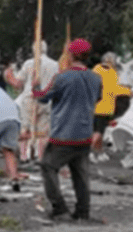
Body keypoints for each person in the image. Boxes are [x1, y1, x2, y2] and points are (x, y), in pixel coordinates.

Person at [34, 38, 101, 221]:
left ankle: (59, 208)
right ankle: (83, 210)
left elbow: (42, 97)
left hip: (64, 134)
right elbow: (98, 98)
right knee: (80, 174)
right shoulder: (96, 78)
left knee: (48, 166)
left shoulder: (62, 78)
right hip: (84, 133)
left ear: (71, 55)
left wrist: (35, 85)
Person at [6, 41, 60, 162]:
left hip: (29, 98)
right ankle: (40, 156)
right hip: (46, 100)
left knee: (26, 127)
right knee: (43, 130)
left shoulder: (29, 63)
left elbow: (18, 83)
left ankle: (24, 156)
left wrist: (9, 76)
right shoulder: (55, 65)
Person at [91, 51, 130, 160]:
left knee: (99, 132)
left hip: (101, 106)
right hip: (102, 107)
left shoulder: (97, 69)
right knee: (98, 132)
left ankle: (98, 152)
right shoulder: (109, 72)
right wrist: (128, 91)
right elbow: (113, 89)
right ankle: (91, 152)